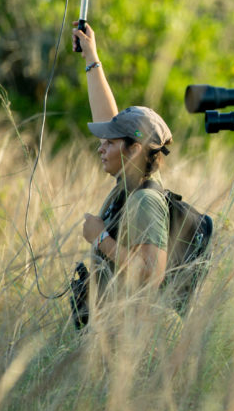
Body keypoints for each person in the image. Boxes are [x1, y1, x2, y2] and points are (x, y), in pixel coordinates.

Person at [74, 22, 173, 302]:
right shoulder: (129, 185)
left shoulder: (145, 200)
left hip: (130, 337)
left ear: (134, 150)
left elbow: (151, 276)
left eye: (110, 143)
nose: (100, 149)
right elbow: (109, 119)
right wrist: (91, 58)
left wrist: (100, 238)